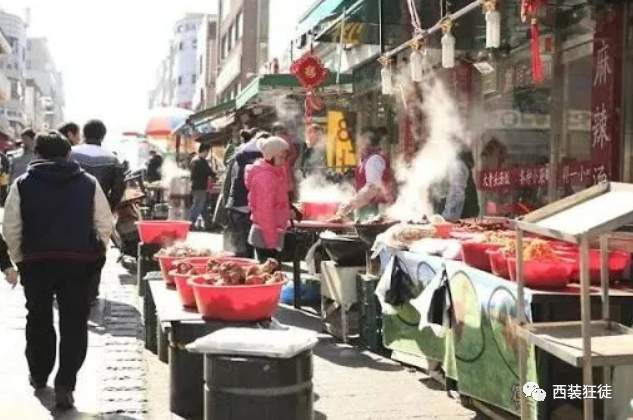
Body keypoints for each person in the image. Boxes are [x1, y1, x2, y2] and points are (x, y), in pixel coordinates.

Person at [3, 131, 113, 409]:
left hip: (36, 262)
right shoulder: (88, 183)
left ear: (37, 154)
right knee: (74, 323)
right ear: (68, 154)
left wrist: (20, 260)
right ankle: (66, 384)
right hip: (78, 263)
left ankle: (39, 375)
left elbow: (11, 227)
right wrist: (96, 253)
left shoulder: (22, 184)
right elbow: (104, 224)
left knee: (38, 319)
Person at [70, 120, 125, 303]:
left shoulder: (70, 153)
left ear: (84, 134)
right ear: (103, 135)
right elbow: (118, 189)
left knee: (70, 247)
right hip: (99, 212)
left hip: (70, 209)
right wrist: (109, 208)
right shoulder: (112, 159)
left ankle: (70, 287)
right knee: (97, 249)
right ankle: (92, 291)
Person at [245, 136, 292, 262]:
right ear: (270, 156)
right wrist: (272, 241)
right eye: (281, 157)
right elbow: (265, 212)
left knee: (272, 270)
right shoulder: (265, 178)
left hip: (271, 232)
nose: (284, 161)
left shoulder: (275, 173)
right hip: (266, 236)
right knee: (269, 271)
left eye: (285, 157)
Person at [338, 128, 395, 221]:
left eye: (360, 140)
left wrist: (349, 205)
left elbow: (372, 189)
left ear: (367, 142)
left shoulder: (374, 160)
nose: (357, 144)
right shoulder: (366, 160)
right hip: (368, 210)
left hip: (377, 212)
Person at [225, 129, 266, 257]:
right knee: (249, 251)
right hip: (247, 208)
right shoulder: (260, 160)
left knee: (241, 252)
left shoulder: (239, 155)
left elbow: (228, 182)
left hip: (235, 205)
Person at [438, 148, 480, 220]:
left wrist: (447, 219)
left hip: (460, 217)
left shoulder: (457, 164)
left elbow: (456, 194)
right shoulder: (457, 163)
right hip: (465, 215)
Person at [189, 143, 216, 230]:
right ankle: (190, 223)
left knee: (203, 206)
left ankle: (208, 224)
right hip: (200, 187)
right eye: (207, 152)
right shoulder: (201, 161)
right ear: (204, 151)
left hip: (195, 186)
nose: (207, 154)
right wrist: (214, 175)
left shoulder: (194, 160)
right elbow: (209, 172)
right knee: (198, 205)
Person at [271, 122, 299, 200]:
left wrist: (286, 162)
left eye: (280, 130)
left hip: (283, 168)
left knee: (285, 189)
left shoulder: (286, 139)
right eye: (277, 130)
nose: (278, 131)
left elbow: (293, 153)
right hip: (277, 167)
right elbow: (294, 153)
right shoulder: (272, 140)